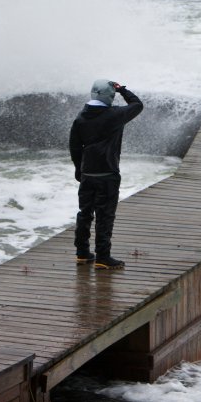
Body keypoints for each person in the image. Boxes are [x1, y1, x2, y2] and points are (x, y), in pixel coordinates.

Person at [69, 79, 143, 269]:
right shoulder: (115, 115)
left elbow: (75, 147)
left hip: (87, 173)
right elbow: (137, 105)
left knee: (84, 213)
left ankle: (82, 253)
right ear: (110, 95)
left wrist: (79, 169)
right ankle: (103, 257)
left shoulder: (80, 118)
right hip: (107, 173)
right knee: (105, 215)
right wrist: (123, 90)